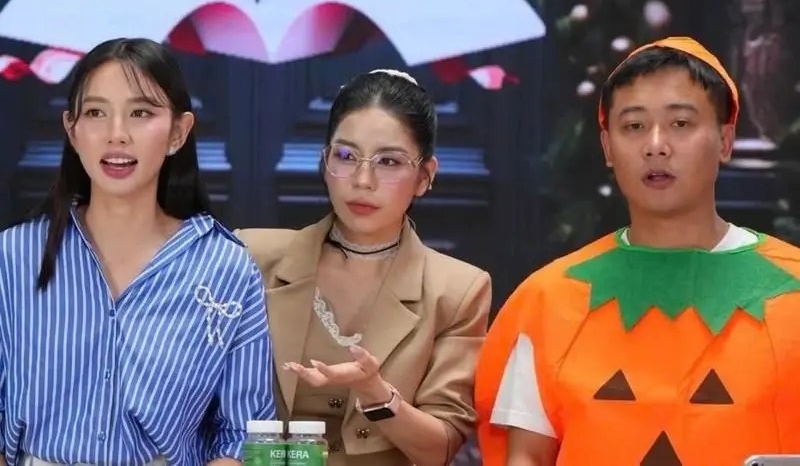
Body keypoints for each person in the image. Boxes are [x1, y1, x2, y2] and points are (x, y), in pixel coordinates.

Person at [474, 36, 800, 465]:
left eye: (680, 123)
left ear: (725, 140)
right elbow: (527, 457)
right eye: (634, 126)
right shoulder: (550, 300)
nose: (656, 145)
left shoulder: (793, 289)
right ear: (608, 147)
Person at [0, 38, 276, 466]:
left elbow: (243, 433)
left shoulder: (226, 268)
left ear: (178, 132)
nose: (117, 134)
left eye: (141, 113)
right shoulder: (14, 257)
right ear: (72, 129)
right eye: (96, 113)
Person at [236, 69, 491, 466]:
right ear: (325, 161)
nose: (363, 179)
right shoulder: (252, 256)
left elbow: (440, 448)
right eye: (346, 156)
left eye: (389, 161)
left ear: (425, 177)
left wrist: (377, 395)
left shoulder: (457, 290)